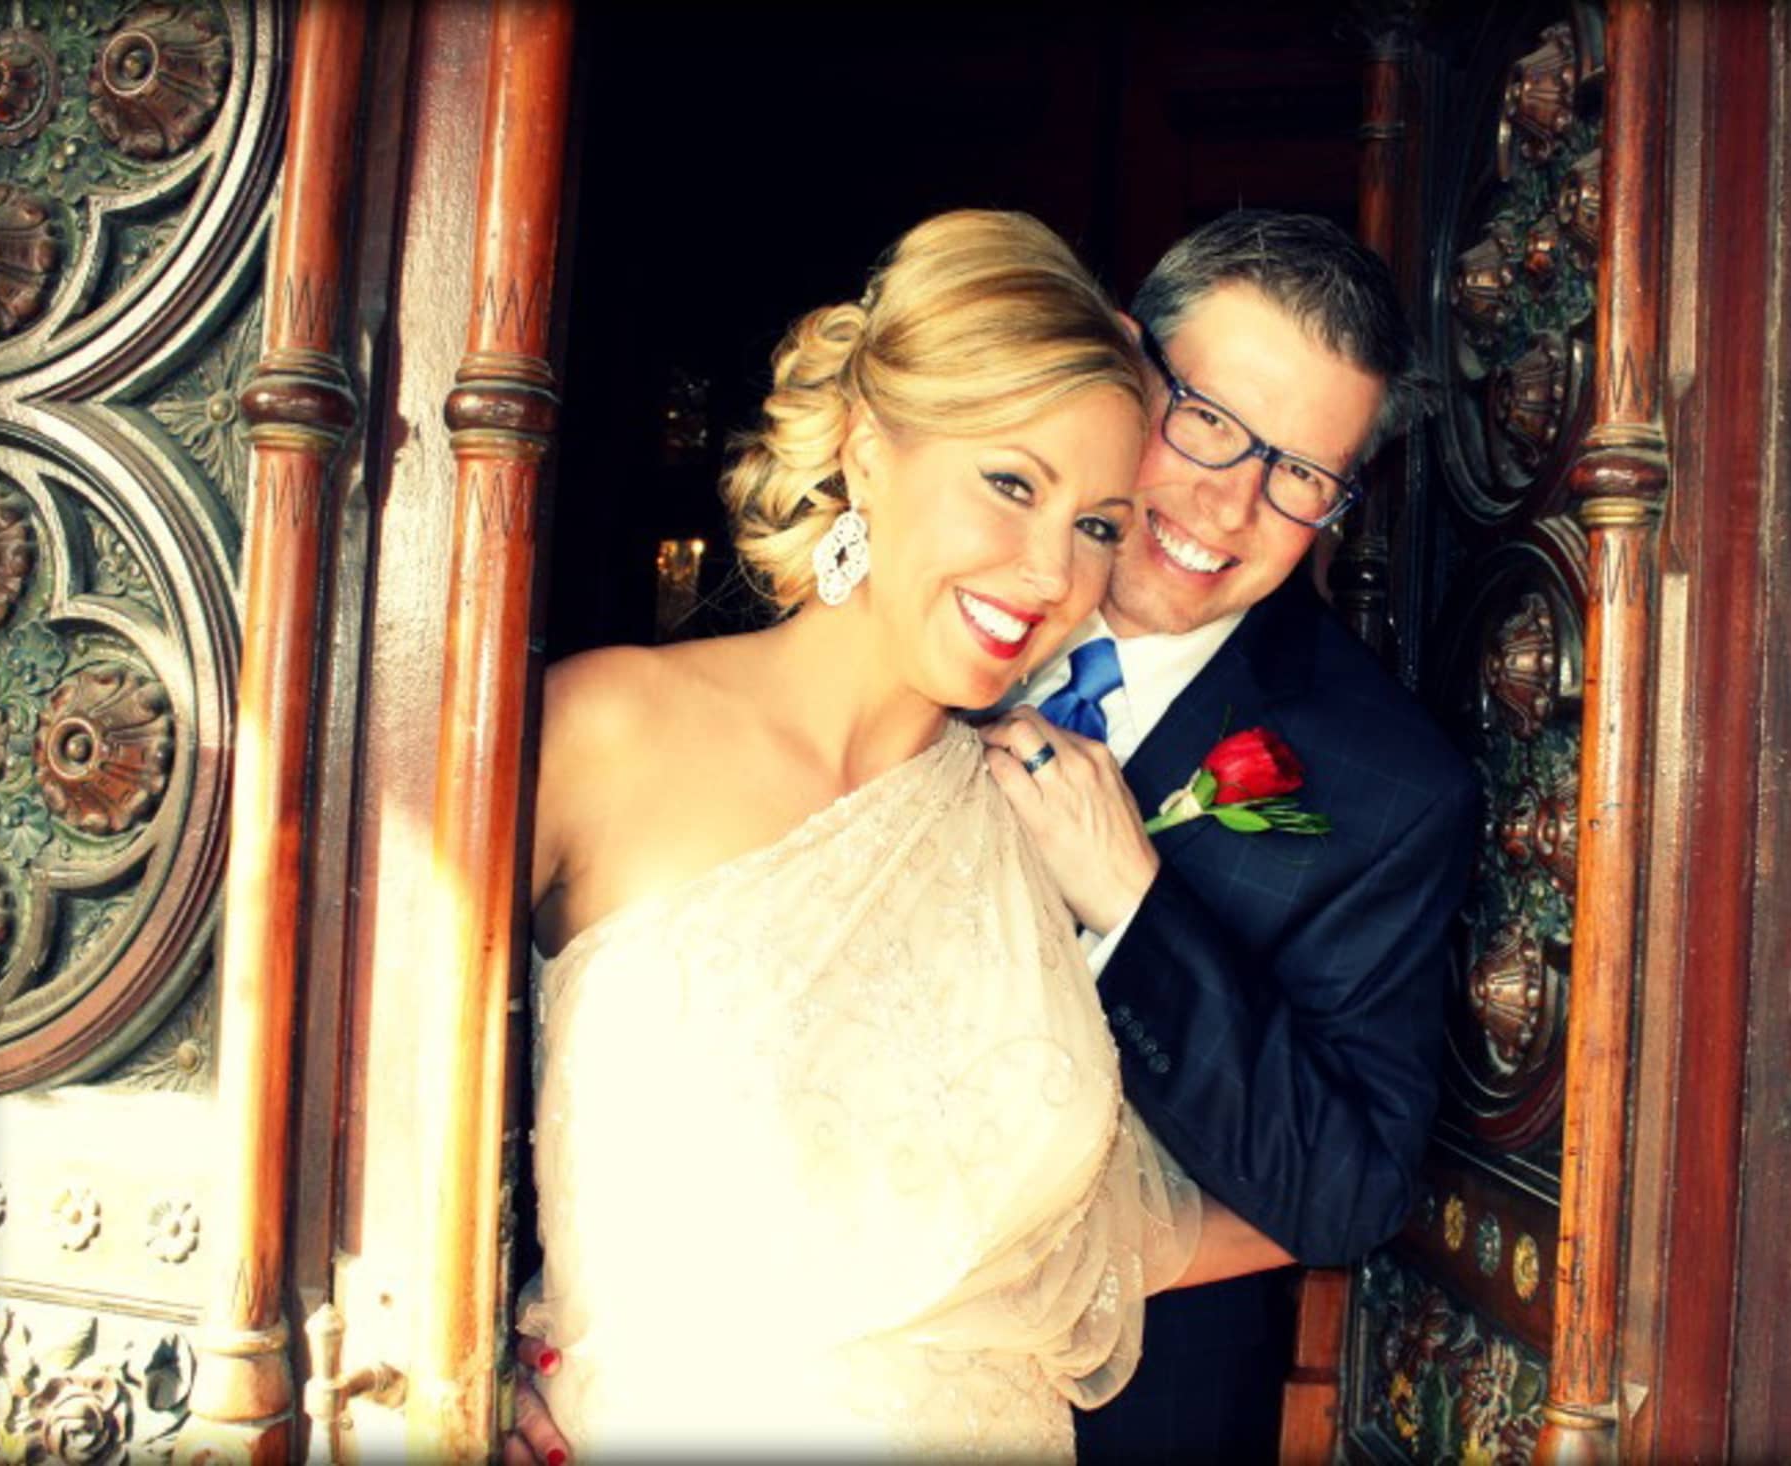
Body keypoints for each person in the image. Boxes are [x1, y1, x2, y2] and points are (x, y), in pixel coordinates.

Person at [519, 210, 1283, 1461]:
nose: (1051, 572)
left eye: (1098, 523)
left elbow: (1108, 1224)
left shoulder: (1030, 824)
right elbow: (375, 1117)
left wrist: (1372, 1183)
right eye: (1011, 483)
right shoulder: (595, 736)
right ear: (870, 450)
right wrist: (457, 1367)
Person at [978, 210, 1477, 1464]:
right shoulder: (933, 578)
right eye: (1205, 417)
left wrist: (1133, 909)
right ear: (1123, 362)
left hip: (1111, 1416)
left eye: (1301, 474)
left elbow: (1349, 1188)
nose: (1230, 503)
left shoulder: (1390, 787)